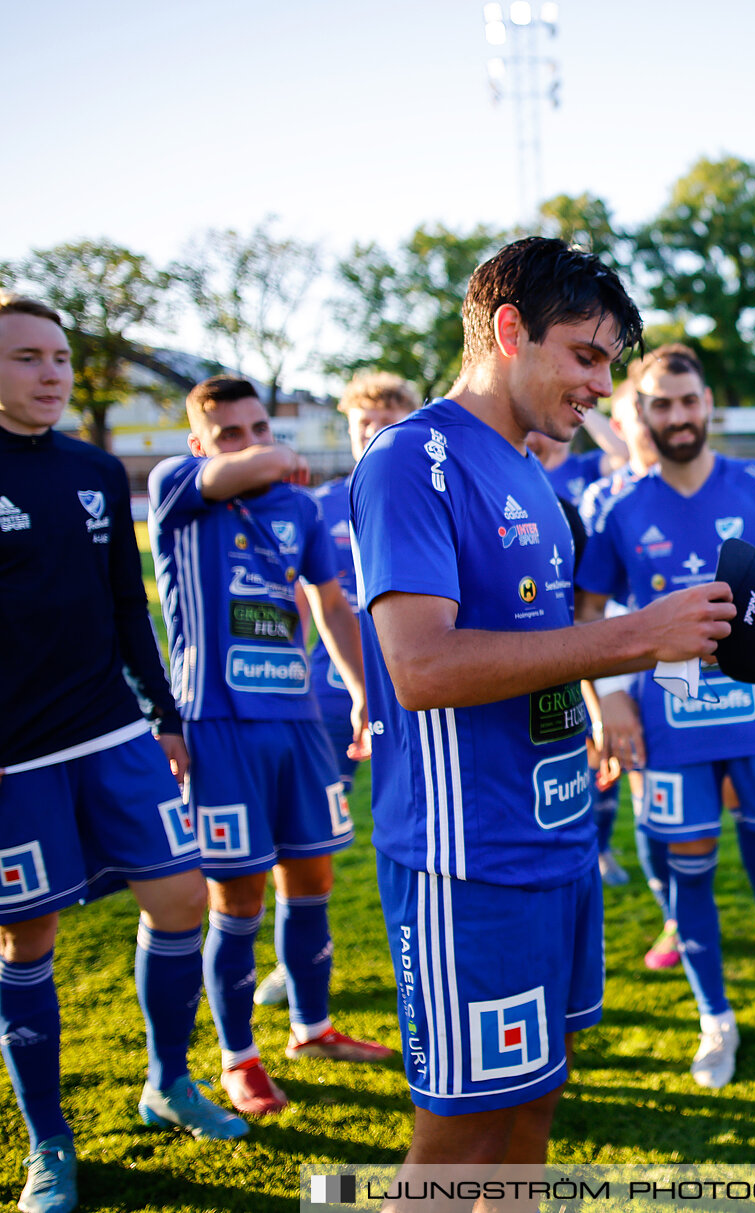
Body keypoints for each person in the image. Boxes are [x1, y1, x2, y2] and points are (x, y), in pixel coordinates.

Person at [351, 237, 735, 1168]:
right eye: (587, 356)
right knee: (455, 1140)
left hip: (558, 842)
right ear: (510, 329)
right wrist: (633, 637)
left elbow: (538, 652)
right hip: (467, 863)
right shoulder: (414, 458)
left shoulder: (532, 465)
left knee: (530, 1112)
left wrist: (597, 708)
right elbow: (422, 670)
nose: (602, 386)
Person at [1, 296, 245, 1213]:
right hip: (13, 756)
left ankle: (168, 1081)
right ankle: (50, 1142)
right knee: (28, 936)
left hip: (111, 726)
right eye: (28, 357)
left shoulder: (98, 470)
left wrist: (166, 713)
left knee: (183, 895)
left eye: (59, 356)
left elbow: (126, 605)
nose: (52, 372)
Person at [575, 342, 755, 1095]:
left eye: (689, 400)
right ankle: (716, 1022)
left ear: (709, 404)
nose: (677, 415)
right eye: (660, 403)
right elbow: (586, 613)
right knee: (690, 879)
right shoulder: (617, 507)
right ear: (639, 412)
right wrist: (606, 700)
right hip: (671, 727)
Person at [148, 375, 392, 1120]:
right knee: (237, 896)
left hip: (296, 723)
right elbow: (242, 468)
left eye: (261, 427)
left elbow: (328, 601)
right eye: (231, 432)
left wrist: (357, 688)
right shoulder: (178, 489)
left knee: (312, 877)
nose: (252, 443)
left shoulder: (300, 507)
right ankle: (238, 1056)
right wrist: (274, 452)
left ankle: (312, 1029)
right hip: (217, 725)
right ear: (199, 445)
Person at [251, 371, 420, 1013]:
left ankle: (431, 950)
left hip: (420, 695)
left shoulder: (428, 498)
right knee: (306, 837)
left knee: (421, 829)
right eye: (363, 424)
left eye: (389, 421)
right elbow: (291, 600)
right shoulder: (316, 507)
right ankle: (294, 962)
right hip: (327, 698)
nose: (375, 433)